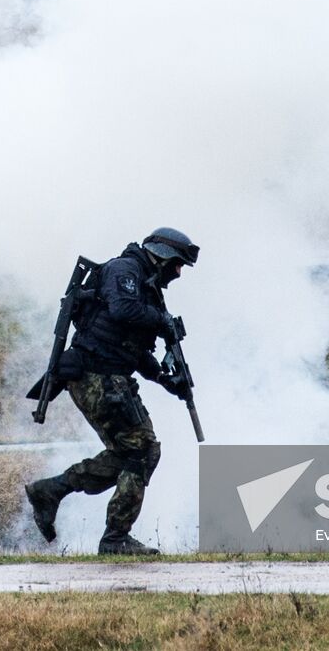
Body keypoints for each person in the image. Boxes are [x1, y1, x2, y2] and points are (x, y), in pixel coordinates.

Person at [24, 228, 199, 556]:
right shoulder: (125, 270)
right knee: (142, 451)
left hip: (110, 376)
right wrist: (163, 321)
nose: (177, 272)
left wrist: (166, 379)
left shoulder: (144, 284)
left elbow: (133, 349)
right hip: (95, 374)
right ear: (160, 255)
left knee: (130, 454)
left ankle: (51, 491)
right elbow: (122, 310)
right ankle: (115, 538)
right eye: (176, 264)